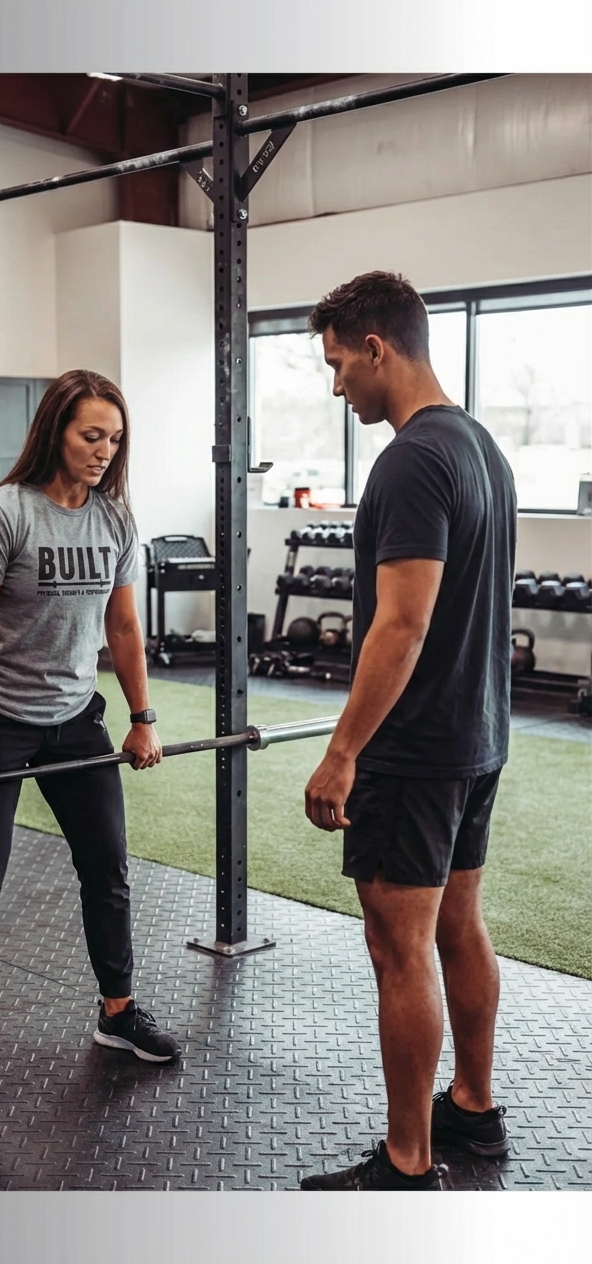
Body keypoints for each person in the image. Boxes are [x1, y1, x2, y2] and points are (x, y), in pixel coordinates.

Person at [298, 272, 515, 1190]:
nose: (337, 385)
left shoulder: (411, 460)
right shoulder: (481, 448)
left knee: (400, 948)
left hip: (416, 751)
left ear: (378, 347)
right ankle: (471, 1111)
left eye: (340, 363)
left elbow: (402, 622)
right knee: (459, 927)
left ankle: (407, 1161)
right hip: (477, 740)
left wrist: (342, 753)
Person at [0, 368, 180, 1115]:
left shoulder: (114, 521)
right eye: (90, 435)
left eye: (114, 437)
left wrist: (142, 717)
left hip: (77, 718)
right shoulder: (2, 515)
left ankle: (117, 1011)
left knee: (107, 869)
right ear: (55, 433)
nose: (104, 449)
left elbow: (123, 626)